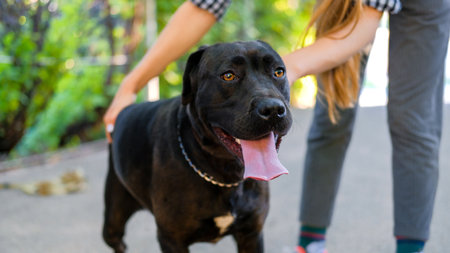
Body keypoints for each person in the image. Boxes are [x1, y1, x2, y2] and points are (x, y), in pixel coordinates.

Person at [103, 0, 450, 252]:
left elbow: (362, 27)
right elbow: (202, 5)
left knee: (413, 124)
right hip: (342, 8)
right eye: (228, 76)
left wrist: (282, 73)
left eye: (274, 72)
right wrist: (130, 85)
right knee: (331, 119)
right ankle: (312, 243)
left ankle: (410, 249)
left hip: (421, 8)